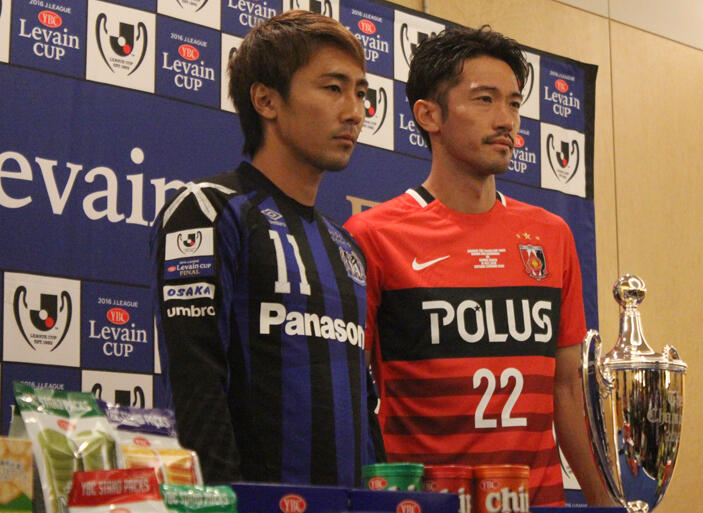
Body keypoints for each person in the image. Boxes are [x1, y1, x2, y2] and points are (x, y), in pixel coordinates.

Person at [344, 26, 612, 506]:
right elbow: (348, 394)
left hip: (538, 501)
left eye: (513, 103)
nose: (506, 119)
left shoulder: (551, 235)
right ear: (429, 115)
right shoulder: (372, 235)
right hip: (426, 502)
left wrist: (605, 503)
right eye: (485, 99)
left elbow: (567, 389)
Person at [152, 10, 377, 486]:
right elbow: (195, 390)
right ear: (266, 100)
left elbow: (364, 405)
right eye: (333, 88)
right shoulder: (208, 210)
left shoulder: (346, 245)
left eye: (360, 92)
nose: (354, 111)